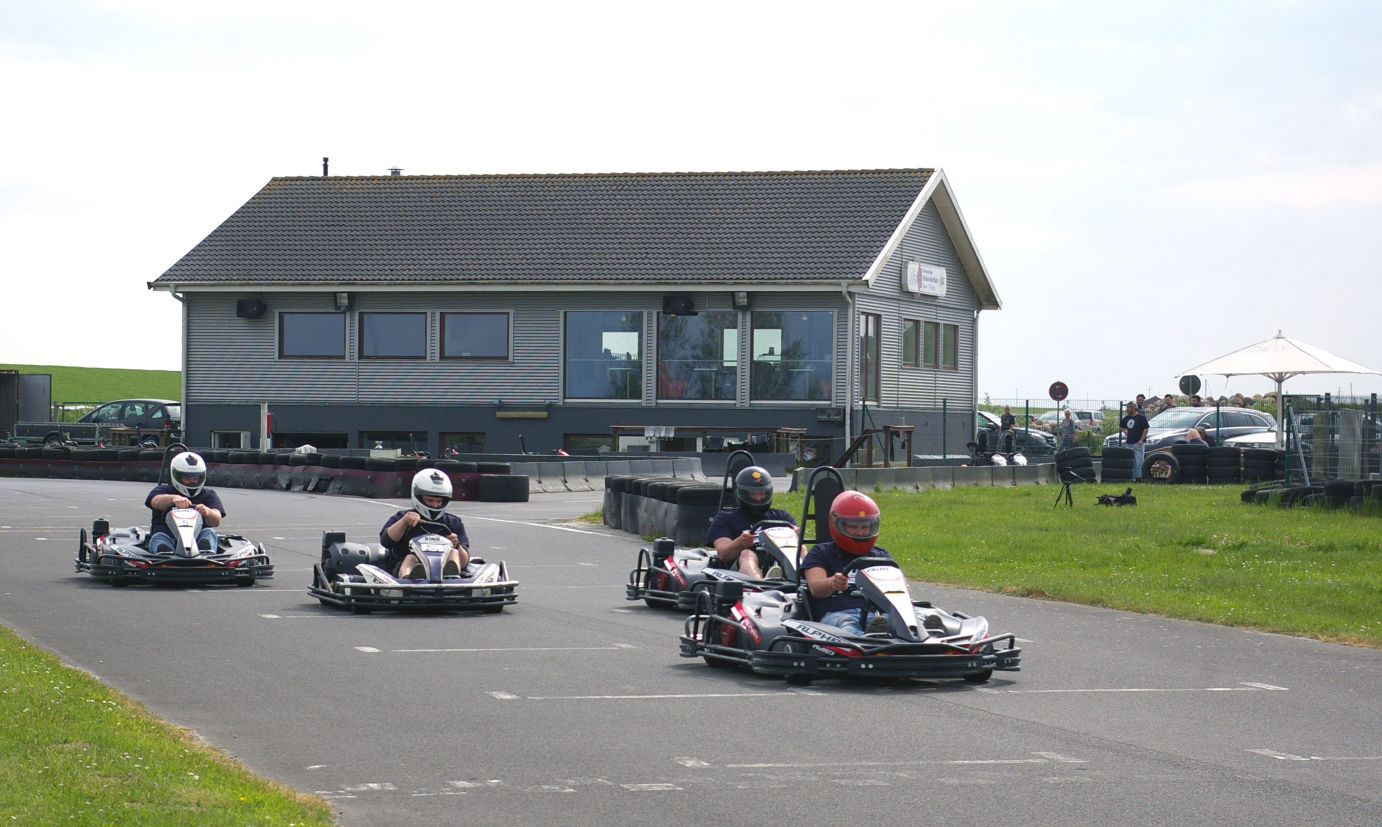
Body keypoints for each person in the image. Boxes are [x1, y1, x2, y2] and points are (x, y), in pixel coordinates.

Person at [801, 491, 893, 635]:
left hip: (876, 615)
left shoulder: (881, 557)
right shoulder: (821, 553)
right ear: (837, 525)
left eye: (864, 527)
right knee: (847, 624)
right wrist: (832, 583)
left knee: (901, 619)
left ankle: (928, 636)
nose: (860, 533)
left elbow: (903, 593)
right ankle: (866, 643)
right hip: (836, 614)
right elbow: (815, 588)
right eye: (853, 527)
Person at [706, 465, 796, 579]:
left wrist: (796, 535)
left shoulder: (782, 517)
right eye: (753, 494)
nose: (758, 498)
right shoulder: (726, 518)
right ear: (742, 493)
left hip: (779, 562)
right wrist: (740, 542)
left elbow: (797, 545)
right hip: (738, 572)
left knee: (801, 549)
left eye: (762, 493)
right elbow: (723, 553)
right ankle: (761, 585)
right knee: (747, 554)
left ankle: (805, 582)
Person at [381, 468, 469, 579]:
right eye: (430, 500)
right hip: (407, 567)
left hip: (442, 568)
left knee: (454, 552)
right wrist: (404, 522)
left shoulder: (453, 522)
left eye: (439, 501)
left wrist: (456, 545)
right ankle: (409, 579)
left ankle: (451, 577)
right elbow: (386, 541)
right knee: (411, 558)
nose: (435, 505)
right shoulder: (403, 517)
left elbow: (465, 562)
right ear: (419, 497)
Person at [145, 451, 223, 554]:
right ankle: (165, 555)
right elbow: (155, 501)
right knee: (159, 538)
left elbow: (216, 520)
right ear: (176, 476)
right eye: (187, 478)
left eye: (195, 478)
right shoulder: (163, 491)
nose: (192, 481)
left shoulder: (208, 494)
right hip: (168, 538)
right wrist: (173, 499)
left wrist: (208, 512)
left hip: (197, 539)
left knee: (209, 532)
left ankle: (205, 553)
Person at [1121, 400, 1150, 481]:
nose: (1126, 409)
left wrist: (1141, 440)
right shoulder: (1126, 418)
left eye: (1128, 407)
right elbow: (1121, 426)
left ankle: (1139, 478)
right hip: (1129, 443)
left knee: (1139, 462)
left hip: (1138, 443)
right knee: (1132, 462)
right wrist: (1126, 433)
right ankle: (1133, 479)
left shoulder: (1141, 418)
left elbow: (1146, 429)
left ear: (1133, 408)